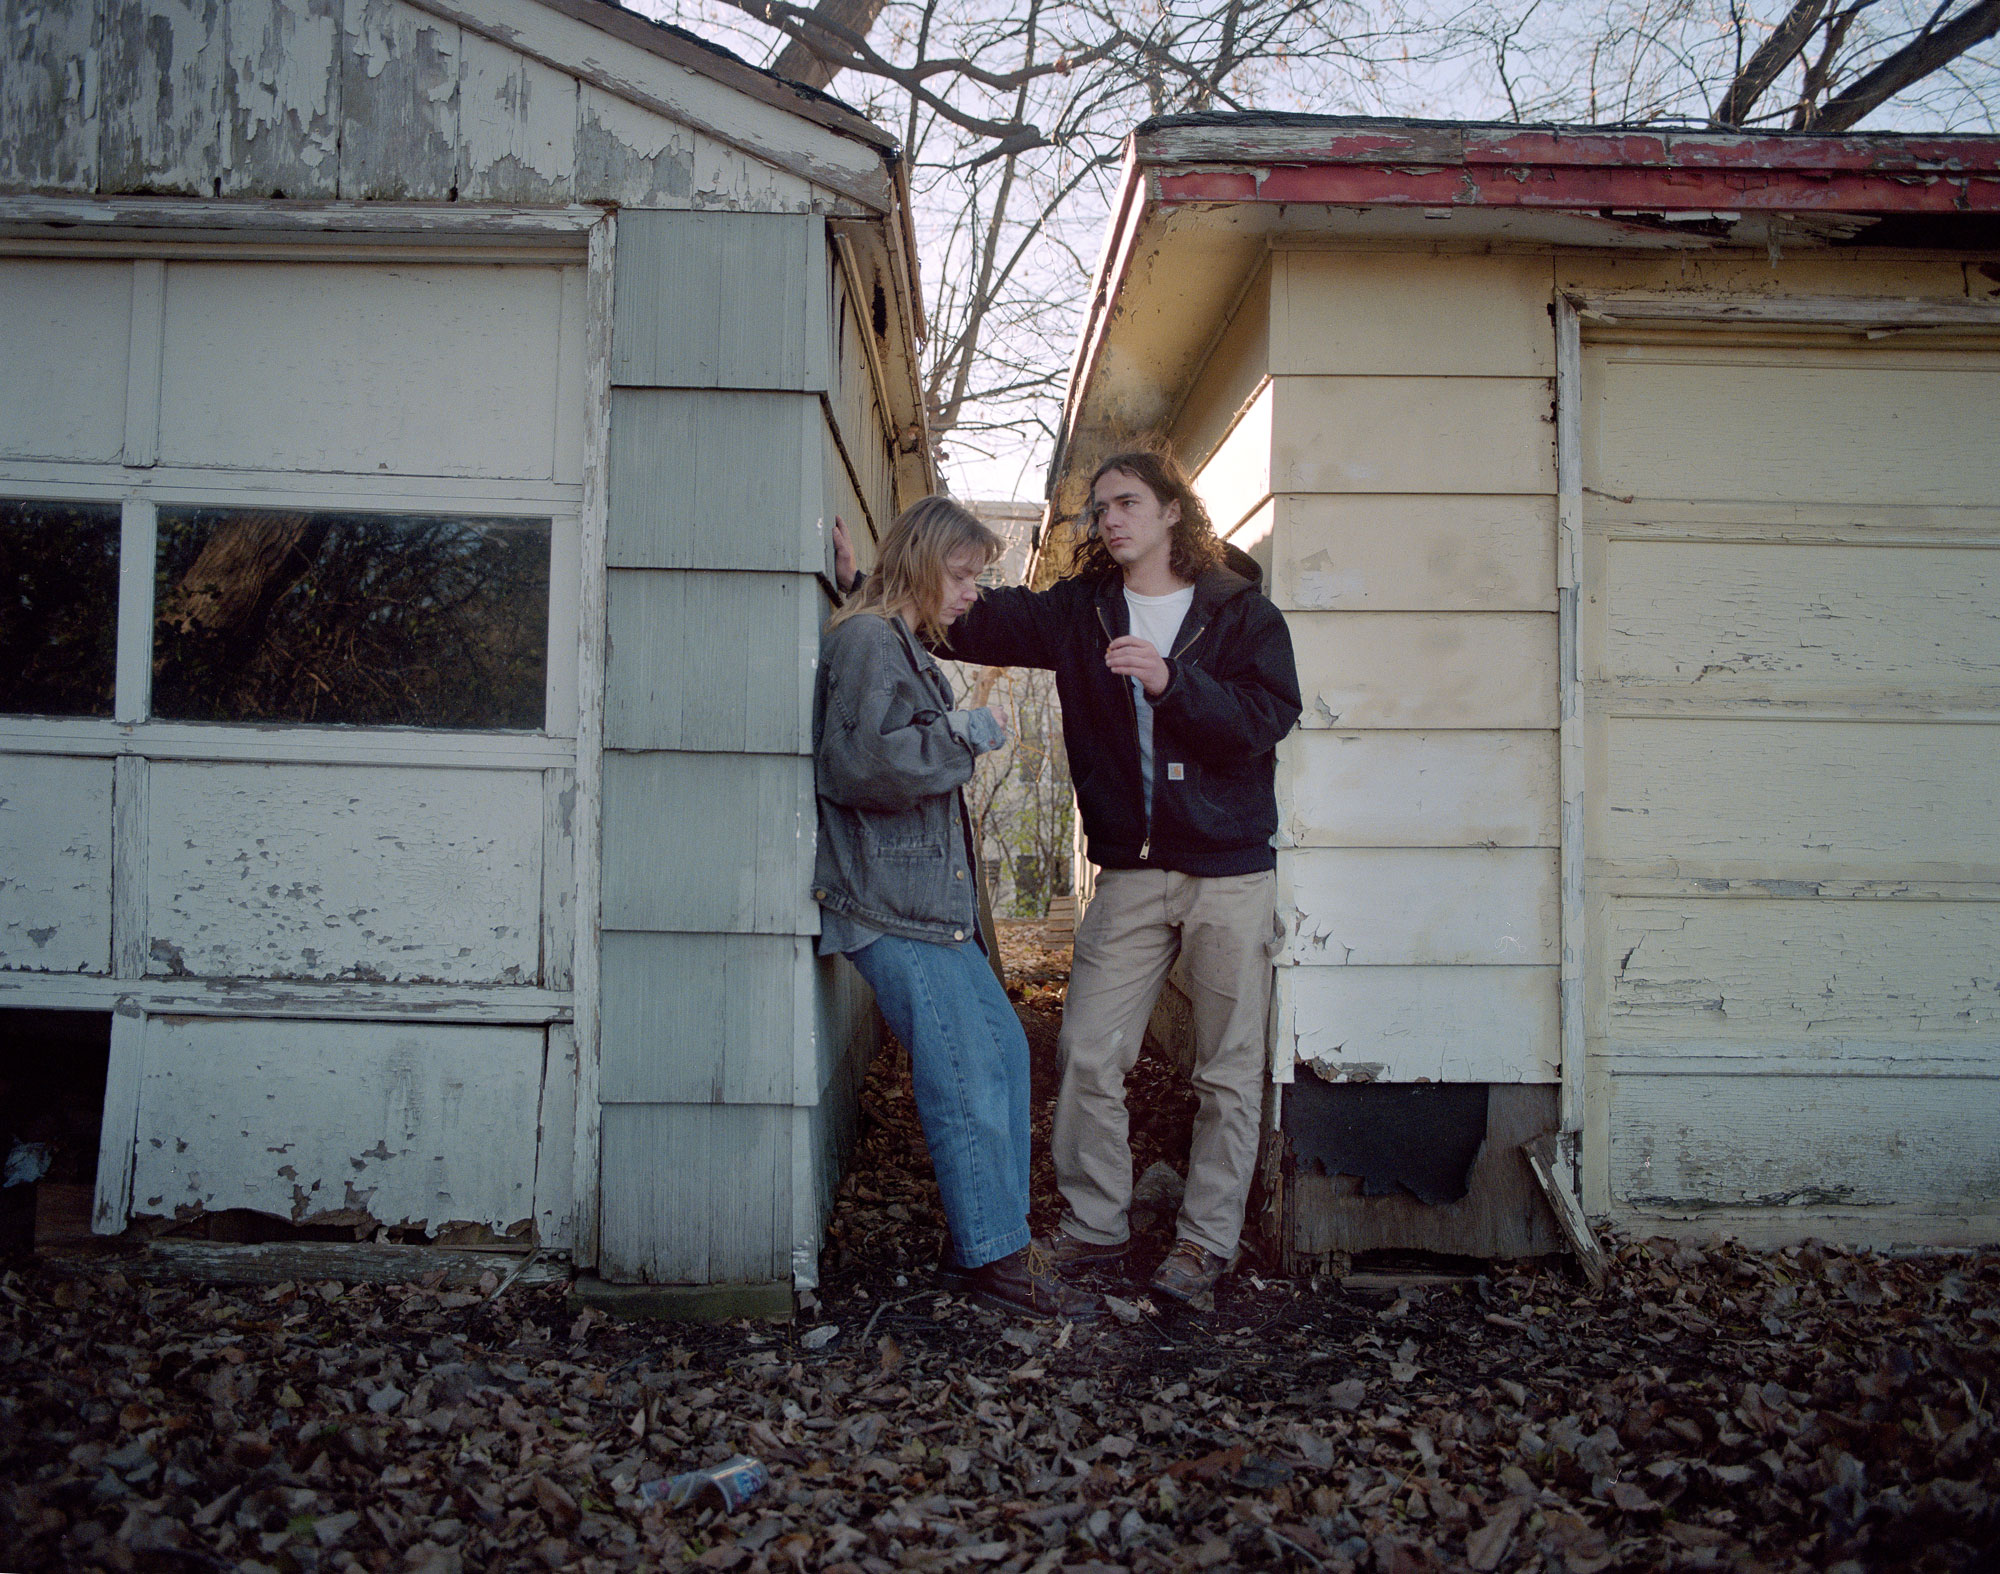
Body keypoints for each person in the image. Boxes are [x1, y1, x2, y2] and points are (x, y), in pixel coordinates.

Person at [834, 449, 1300, 1305]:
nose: (1109, 520)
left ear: (1172, 513)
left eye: (1127, 503)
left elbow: (1266, 720)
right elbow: (974, 618)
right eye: (1099, 510)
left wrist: (1172, 683)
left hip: (1229, 870)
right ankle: (1096, 1223)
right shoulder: (1084, 611)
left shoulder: (1240, 613)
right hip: (1129, 871)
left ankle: (1202, 1244)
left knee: (1228, 1071)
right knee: (1088, 1051)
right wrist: (868, 580)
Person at [813, 496, 1099, 1321]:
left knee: (1004, 1053)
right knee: (969, 1072)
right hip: (887, 902)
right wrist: (966, 733)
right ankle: (997, 1261)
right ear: (921, 563)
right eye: (964, 574)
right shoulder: (870, 640)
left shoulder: (897, 642)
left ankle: (986, 1231)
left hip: (925, 905)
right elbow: (860, 765)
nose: (975, 592)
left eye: (980, 577)